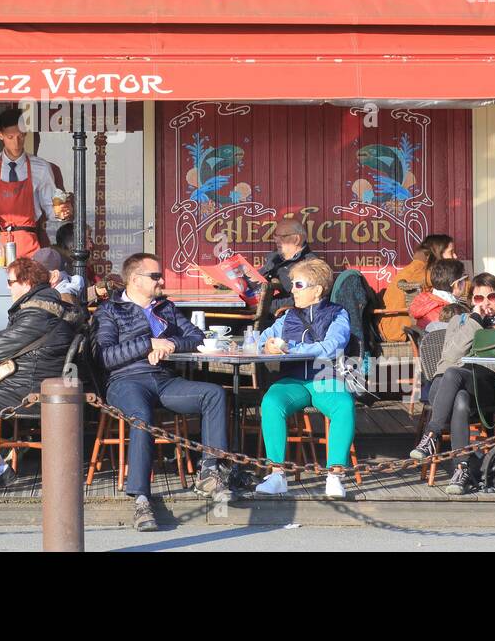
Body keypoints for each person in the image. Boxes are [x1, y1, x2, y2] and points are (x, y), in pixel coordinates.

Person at [95, 252, 231, 531]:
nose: (162, 280)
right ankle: (142, 499)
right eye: (155, 276)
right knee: (142, 416)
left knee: (214, 393)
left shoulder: (165, 307)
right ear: (134, 279)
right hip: (125, 382)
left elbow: (196, 337)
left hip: (164, 380)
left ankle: (209, 471)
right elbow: (105, 357)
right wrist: (149, 344)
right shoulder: (110, 310)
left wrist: (168, 343)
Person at [0, 256, 83, 490]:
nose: (8, 287)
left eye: (10, 282)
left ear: (26, 283)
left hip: (30, 388)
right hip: (37, 381)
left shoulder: (37, 313)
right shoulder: (47, 306)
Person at [409, 273, 495, 495]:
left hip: (484, 386)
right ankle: (461, 470)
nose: (486, 303)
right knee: (459, 395)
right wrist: (474, 321)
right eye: (479, 298)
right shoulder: (460, 321)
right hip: (445, 385)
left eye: (490, 296)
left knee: (456, 378)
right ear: (472, 301)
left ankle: (431, 435)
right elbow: (451, 356)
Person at [253, 258, 355, 499]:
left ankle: (334, 476)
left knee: (344, 405)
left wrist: (291, 349)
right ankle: (277, 475)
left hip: (324, 376)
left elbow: (332, 347)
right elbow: (259, 340)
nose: (292, 290)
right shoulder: (287, 317)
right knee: (271, 402)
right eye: (292, 285)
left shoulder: (338, 314)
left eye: (298, 285)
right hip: (293, 380)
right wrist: (266, 346)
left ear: (317, 290)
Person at [0, 108, 73, 261]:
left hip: (27, 243)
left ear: (25, 133)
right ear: (0, 135)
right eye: (10, 137)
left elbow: (51, 209)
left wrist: (61, 212)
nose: (16, 142)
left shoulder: (41, 167)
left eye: (20, 136)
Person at [380, 234, 456, 340]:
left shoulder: (417, 268)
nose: (455, 256)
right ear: (438, 253)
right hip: (405, 332)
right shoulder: (423, 273)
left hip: (397, 328)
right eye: (451, 252)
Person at [258, 216, 318, 318]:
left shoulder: (309, 265)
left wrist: (264, 305)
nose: (276, 240)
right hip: (252, 311)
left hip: (279, 320)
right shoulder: (273, 258)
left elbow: (303, 299)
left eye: (282, 236)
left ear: (296, 239)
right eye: (275, 235)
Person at [408, 258, 468, 329]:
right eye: (465, 278)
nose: (466, 282)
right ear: (457, 284)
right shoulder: (449, 314)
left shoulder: (426, 301)